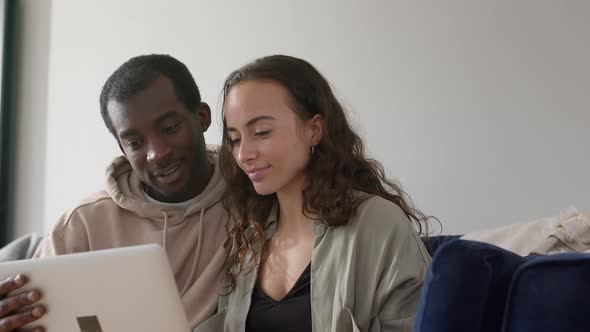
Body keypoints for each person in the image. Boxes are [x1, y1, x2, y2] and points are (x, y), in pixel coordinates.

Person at [196, 55, 432, 332]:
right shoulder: (248, 239)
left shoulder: (378, 224)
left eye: (261, 132)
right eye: (235, 139)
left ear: (314, 130)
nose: (244, 154)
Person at [0, 54, 229, 331]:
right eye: (134, 142)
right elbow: (33, 315)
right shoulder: (83, 223)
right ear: (122, 148)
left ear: (202, 117)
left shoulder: (254, 195)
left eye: (170, 128)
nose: (157, 153)